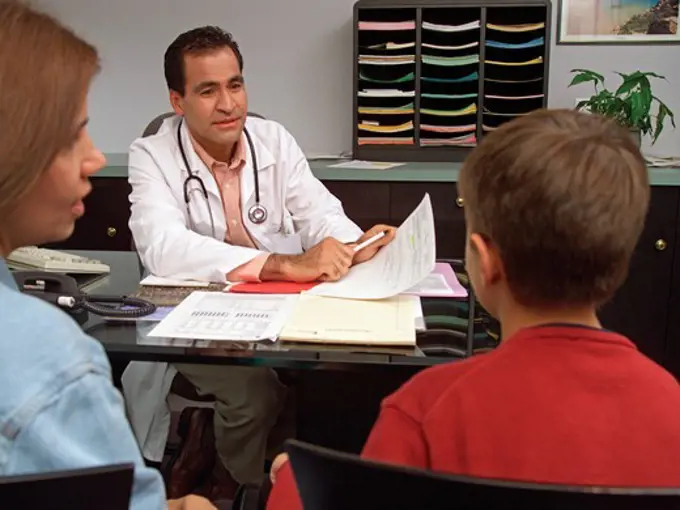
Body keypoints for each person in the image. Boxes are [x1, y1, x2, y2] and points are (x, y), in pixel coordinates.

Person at [266, 108, 680, 509]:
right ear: (621, 259)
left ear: (485, 261)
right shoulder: (671, 408)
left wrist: (292, 483)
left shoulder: (425, 409)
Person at [122, 25, 396, 500]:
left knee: (336, 379)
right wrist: (280, 264)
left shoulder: (273, 140)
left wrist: (355, 244)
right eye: (207, 90)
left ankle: (222, 445)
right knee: (254, 393)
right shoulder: (151, 155)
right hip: (196, 317)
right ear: (177, 100)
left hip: (280, 309)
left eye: (235, 84)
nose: (228, 104)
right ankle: (241, 484)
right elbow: (162, 247)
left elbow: (319, 213)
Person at [0, 3, 216, 509]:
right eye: (74, 131)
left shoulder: (273, 142)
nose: (96, 157)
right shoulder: (46, 358)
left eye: (236, 85)